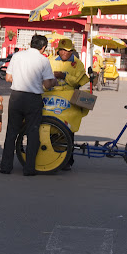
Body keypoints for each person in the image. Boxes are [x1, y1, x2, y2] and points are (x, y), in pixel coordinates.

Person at [0, 35, 57, 176]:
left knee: (12, 132)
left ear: (31, 44)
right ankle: (29, 168)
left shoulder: (17, 56)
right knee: (33, 133)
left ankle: (6, 167)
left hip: (16, 97)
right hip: (33, 99)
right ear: (43, 47)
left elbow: (8, 78)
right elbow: (47, 84)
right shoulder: (43, 60)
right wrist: (54, 81)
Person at [49, 38, 90, 171]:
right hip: (52, 99)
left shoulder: (78, 64)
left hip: (69, 101)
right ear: (58, 50)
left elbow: (78, 82)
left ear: (72, 51)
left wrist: (63, 76)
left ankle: (67, 160)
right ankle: (52, 158)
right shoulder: (50, 61)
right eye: (61, 50)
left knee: (68, 130)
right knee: (52, 129)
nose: (64, 53)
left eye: (67, 51)